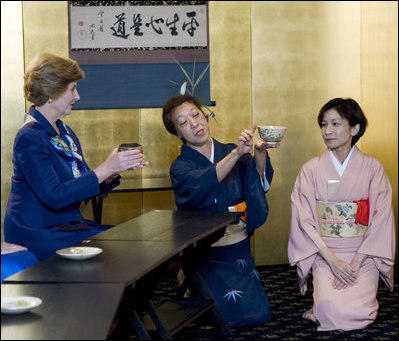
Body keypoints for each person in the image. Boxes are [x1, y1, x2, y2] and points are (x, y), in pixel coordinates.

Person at [4, 53, 149, 261]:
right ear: (52, 91)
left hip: (68, 226)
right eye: (72, 89)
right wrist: (106, 168)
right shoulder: (29, 137)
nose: (77, 96)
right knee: (127, 251)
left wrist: (114, 169)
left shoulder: (64, 131)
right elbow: (55, 196)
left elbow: (81, 184)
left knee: (136, 244)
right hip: (39, 232)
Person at [162, 94, 279, 327]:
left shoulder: (228, 149)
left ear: (205, 116)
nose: (194, 124)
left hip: (236, 248)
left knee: (258, 315)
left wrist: (259, 152)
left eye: (196, 115)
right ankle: (189, 279)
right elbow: (204, 182)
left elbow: (256, 185)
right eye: (183, 122)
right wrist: (237, 153)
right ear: (177, 133)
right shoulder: (181, 166)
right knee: (218, 317)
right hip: (206, 250)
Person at [288, 98, 395, 331]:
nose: (327, 131)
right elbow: (303, 219)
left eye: (335, 124)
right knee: (330, 312)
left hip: (364, 253)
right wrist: (332, 261)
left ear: (354, 128)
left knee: (360, 314)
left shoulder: (373, 168)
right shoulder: (310, 169)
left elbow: (381, 218)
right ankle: (320, 303)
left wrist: (356, 263)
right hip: (324, 252)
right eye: (324, 125)